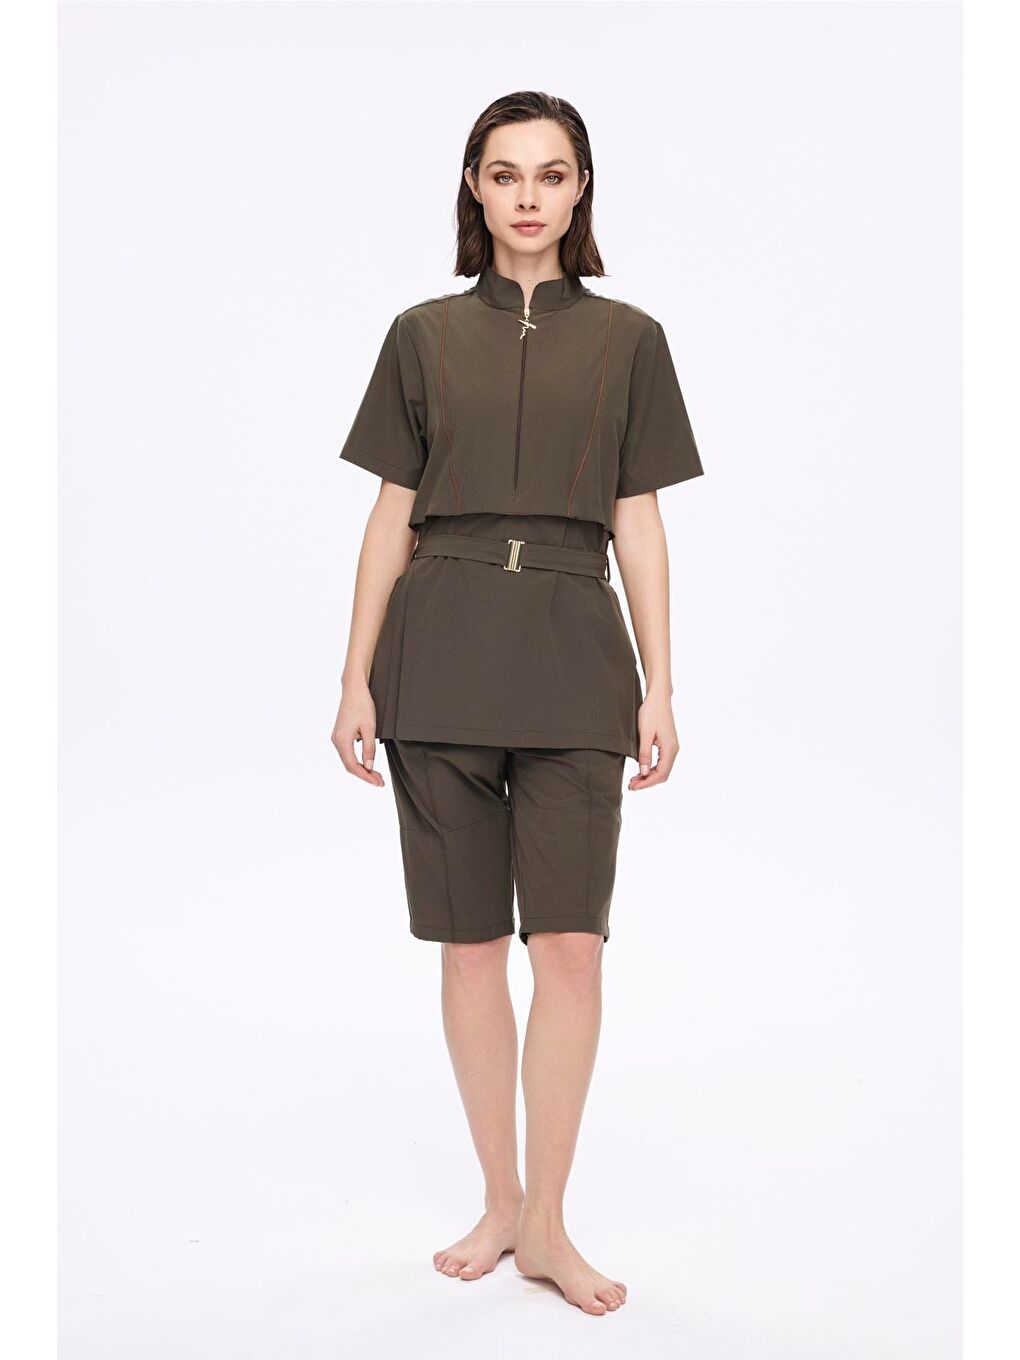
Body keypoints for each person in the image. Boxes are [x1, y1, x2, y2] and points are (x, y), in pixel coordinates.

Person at [330, 91, 703, 1316]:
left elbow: (639, 519)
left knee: (573, 945)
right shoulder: (422, 334)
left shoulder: (632, 340)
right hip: (438, 650)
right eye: (506, 174)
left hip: (574, 655)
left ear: (581, 187)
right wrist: (353, 676)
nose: (529, 196)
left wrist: (660, 680)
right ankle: (501, 1198)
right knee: (471, 942)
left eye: (551, 173)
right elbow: (390, 514)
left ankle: (548, 1219)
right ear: (475, 188)